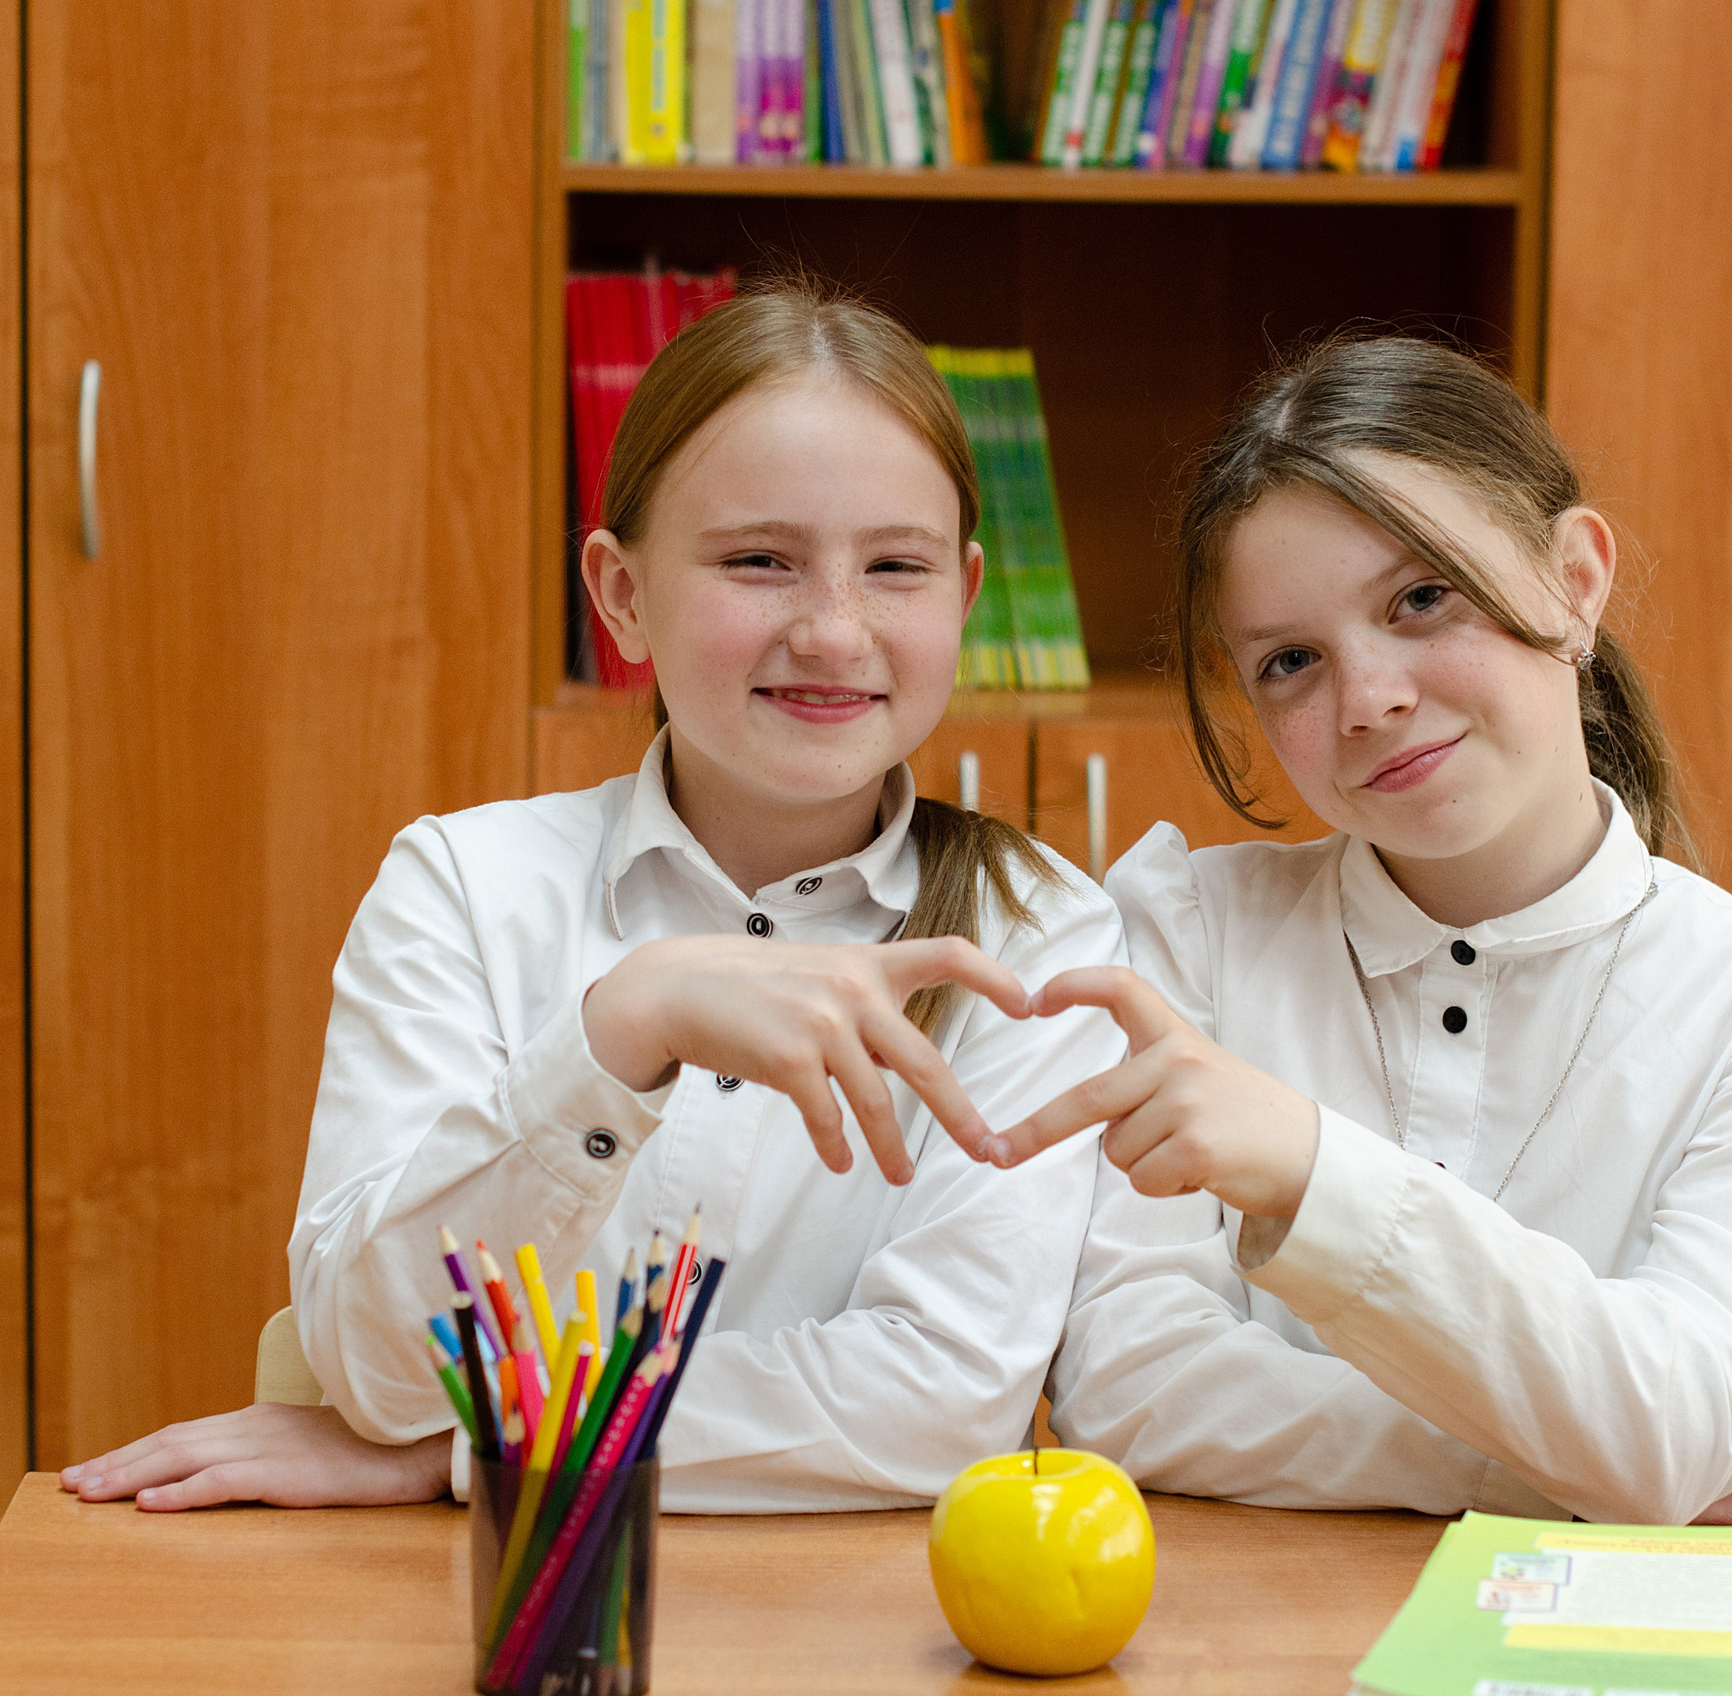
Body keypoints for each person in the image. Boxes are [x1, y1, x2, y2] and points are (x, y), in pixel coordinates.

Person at [59, 284, 1125, 1513]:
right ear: (621, 594)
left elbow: (940, 1396)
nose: (834, 632)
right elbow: (372, 1359)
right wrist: (624, 1030)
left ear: (964, 594)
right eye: (759, 561)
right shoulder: (462, 888)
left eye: (895, 567)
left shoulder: (1036, 932)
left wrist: (468, 1451)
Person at [991, 335, 1732, 1526]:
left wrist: (1311, 1168)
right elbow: (1131, 1388)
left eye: (1422, 599)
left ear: (1575, 579)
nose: (1366, 699)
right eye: (1291, 662)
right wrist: (1569, 1463)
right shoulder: (1185, 932)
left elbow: (1682, 1417)